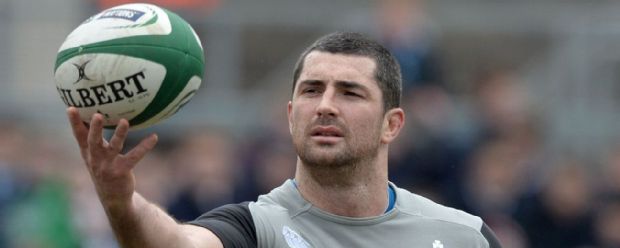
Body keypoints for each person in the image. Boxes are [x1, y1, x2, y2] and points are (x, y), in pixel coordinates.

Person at [66, 32, 502, 248]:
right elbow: (177, 244)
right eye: (312, 90)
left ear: (393, 124)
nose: (325, 105)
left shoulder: (464, 236)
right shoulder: (257, 229)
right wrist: (121, 202)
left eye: (349, 92)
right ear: (291, 115)